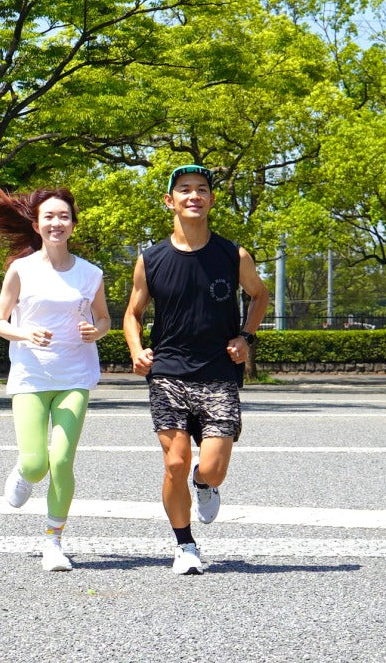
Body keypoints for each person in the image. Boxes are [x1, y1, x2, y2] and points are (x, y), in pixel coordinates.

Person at [123, 164, 270, 575]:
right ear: (169, 201)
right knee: (174, 463)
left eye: (202, 189)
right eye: (184, 189)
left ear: (211, 200)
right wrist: (136, 350)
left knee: (213, 469)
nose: (194, 196)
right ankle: (185, 546)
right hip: (168, 371)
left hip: (218, 372)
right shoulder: (150, 259)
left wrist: (246, 337)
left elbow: (259, 295)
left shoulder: (233, 254)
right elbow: (132, 313)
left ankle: (203, 484)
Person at [0, 185, 109, 573]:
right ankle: (22, 473)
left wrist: (95, 332)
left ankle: (53, 542)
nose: (56, 222)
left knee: (61, 460)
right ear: (37, 225)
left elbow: (104, 319)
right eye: (49, 216)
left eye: (63, 216)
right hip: (31, 376)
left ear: (73, 225)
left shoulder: (90, 273)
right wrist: (25, 333)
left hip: (74, 375)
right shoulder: (21, 269)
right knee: (35, 464)